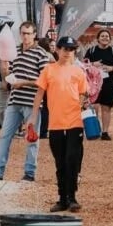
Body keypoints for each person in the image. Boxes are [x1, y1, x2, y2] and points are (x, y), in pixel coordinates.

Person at [27, 36, 89, 212]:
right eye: (65, 49)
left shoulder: (78, 72)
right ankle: (62, 197)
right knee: (60, 162)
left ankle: (72, 197)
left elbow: (84, 93)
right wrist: (33, 116)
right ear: (58, 50)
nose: (68, 52)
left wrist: (84, 103)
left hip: (74, 121)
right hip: (55, 123)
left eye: (71, 49)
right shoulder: (48, 70)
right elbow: (39, 93)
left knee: (72, 159)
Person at [0, 22, 48, 183]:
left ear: (35, 34)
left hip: (31, 101)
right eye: (23, 33)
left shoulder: (41, 54)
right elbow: (9, 75)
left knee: (31, 138)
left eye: (29, 33)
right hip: (14, 99)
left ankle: (29, 172)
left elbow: (44, 80)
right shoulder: (15, 52)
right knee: (4, 136)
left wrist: (24, 82)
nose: (26, 36)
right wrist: (5, 71)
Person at [84, 29, 113, 140]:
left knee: (106, 108)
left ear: (110, 39)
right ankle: (95, 130)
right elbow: (83, 65)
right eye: (102, 36)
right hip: (94, 84)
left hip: (109, 84)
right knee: (95, 106)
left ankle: (105, 132)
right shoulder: (91, 51)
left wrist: (111, 68)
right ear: (98, 39)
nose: (105, 38)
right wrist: (93, 64)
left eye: (107, 36)